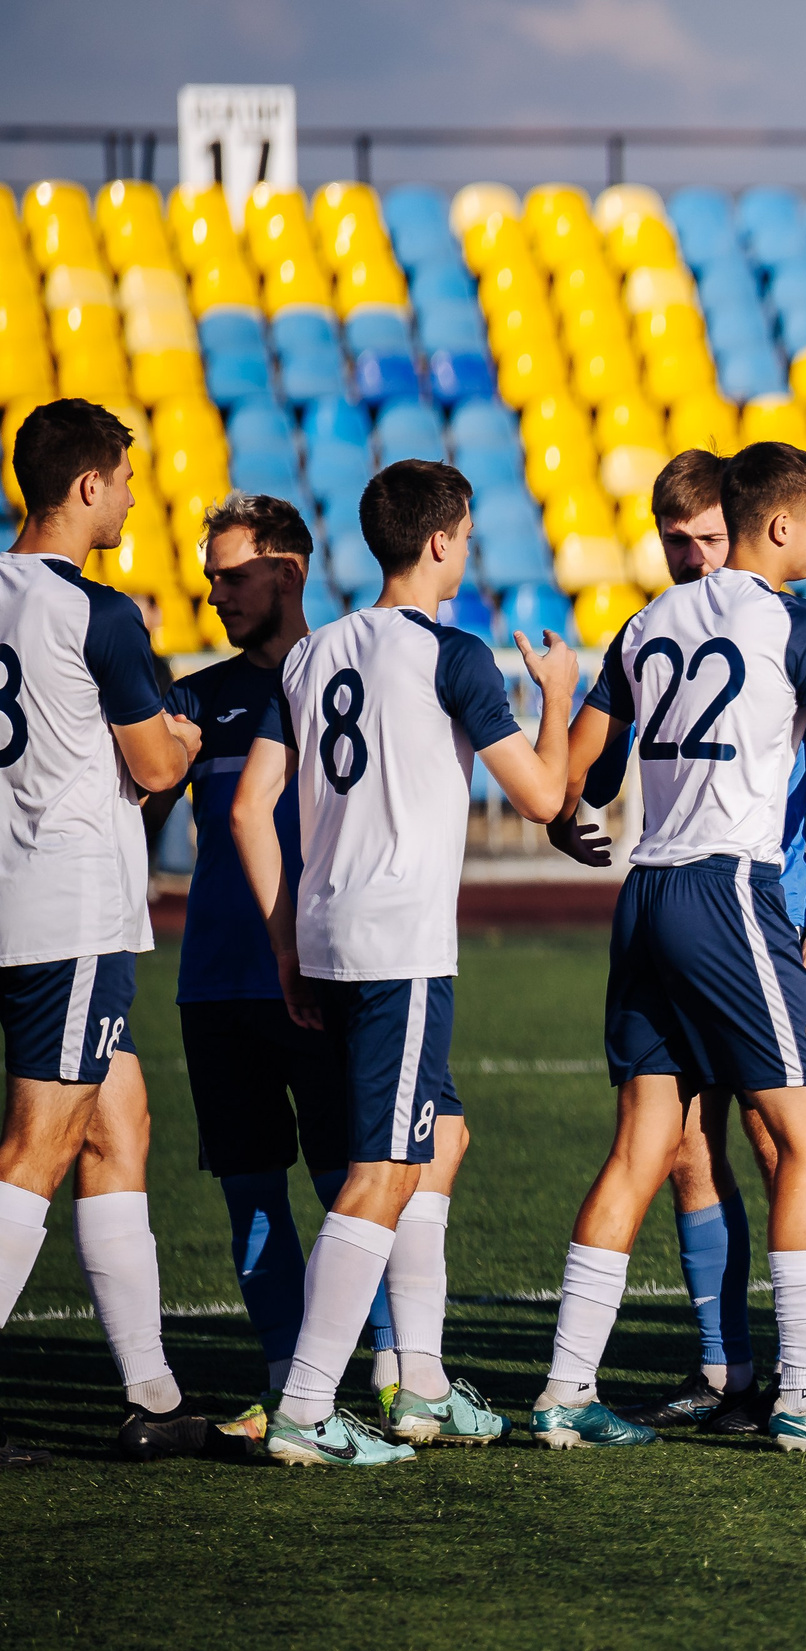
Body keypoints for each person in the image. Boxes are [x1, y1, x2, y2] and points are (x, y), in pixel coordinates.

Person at [529, 441, 806, 1453]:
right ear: (781, 526)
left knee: (644, 1146)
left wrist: (564, 810)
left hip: (644, 891)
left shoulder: (646, 621)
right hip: (729, 889)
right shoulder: (798, 623)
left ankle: (563, 1389)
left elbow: (574, 788)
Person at [233, 458, 579, 1466]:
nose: (465, 550)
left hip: (331, 931)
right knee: (382, 1172)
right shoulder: (453, 653)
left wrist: (289, 943)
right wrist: (556, 693)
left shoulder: (311, 653)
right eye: (465, 535)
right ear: (440, 542)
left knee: (442, 1137)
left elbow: (260, 802)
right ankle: (306, 1404)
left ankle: (420, 1381)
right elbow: (544, 797)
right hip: (400, 942)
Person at [149, 496, 408, 1440]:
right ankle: (288, 1383)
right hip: (218, 985)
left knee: (357, 1180)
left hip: (331, 974)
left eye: (233, 575)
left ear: (289, 573)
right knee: (252, 1193)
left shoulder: (352, 677)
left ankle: (390, 1372)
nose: (215, 593)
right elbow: (134, 799)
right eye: (211, 576)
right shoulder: (192, 699)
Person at [0, 398, 209, 1467]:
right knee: (37, 1145)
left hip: (10, 888)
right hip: (65, 904)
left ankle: (151, 1392)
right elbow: (161, 765)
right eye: (123, 480)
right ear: (87, 487)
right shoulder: (100, 610)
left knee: (117, 1120)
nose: (131, 496)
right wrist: (179, 728)